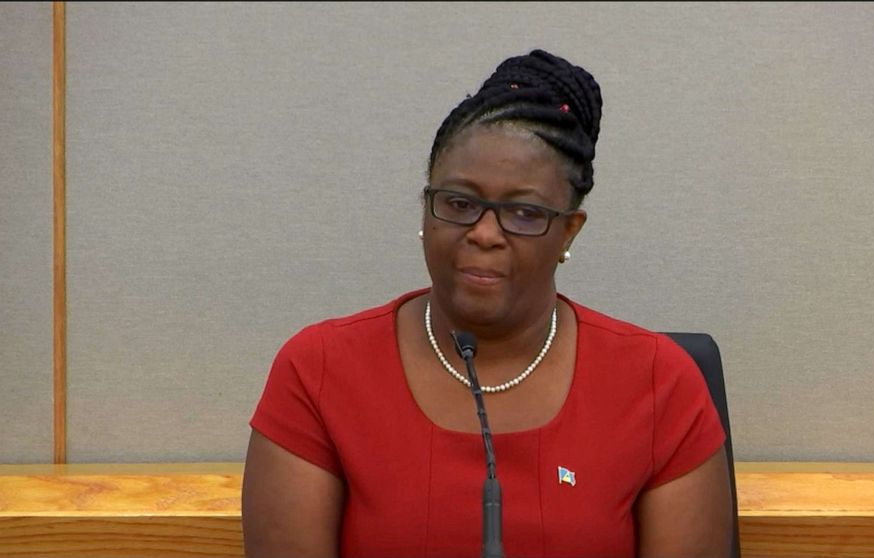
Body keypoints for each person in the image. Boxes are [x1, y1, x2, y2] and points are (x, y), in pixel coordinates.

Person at [242, 49, 732, 558]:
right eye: (459, 203)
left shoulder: (658, 383)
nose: (483, 233)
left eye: (522, 212)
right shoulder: (319, 370)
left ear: (568, 230)